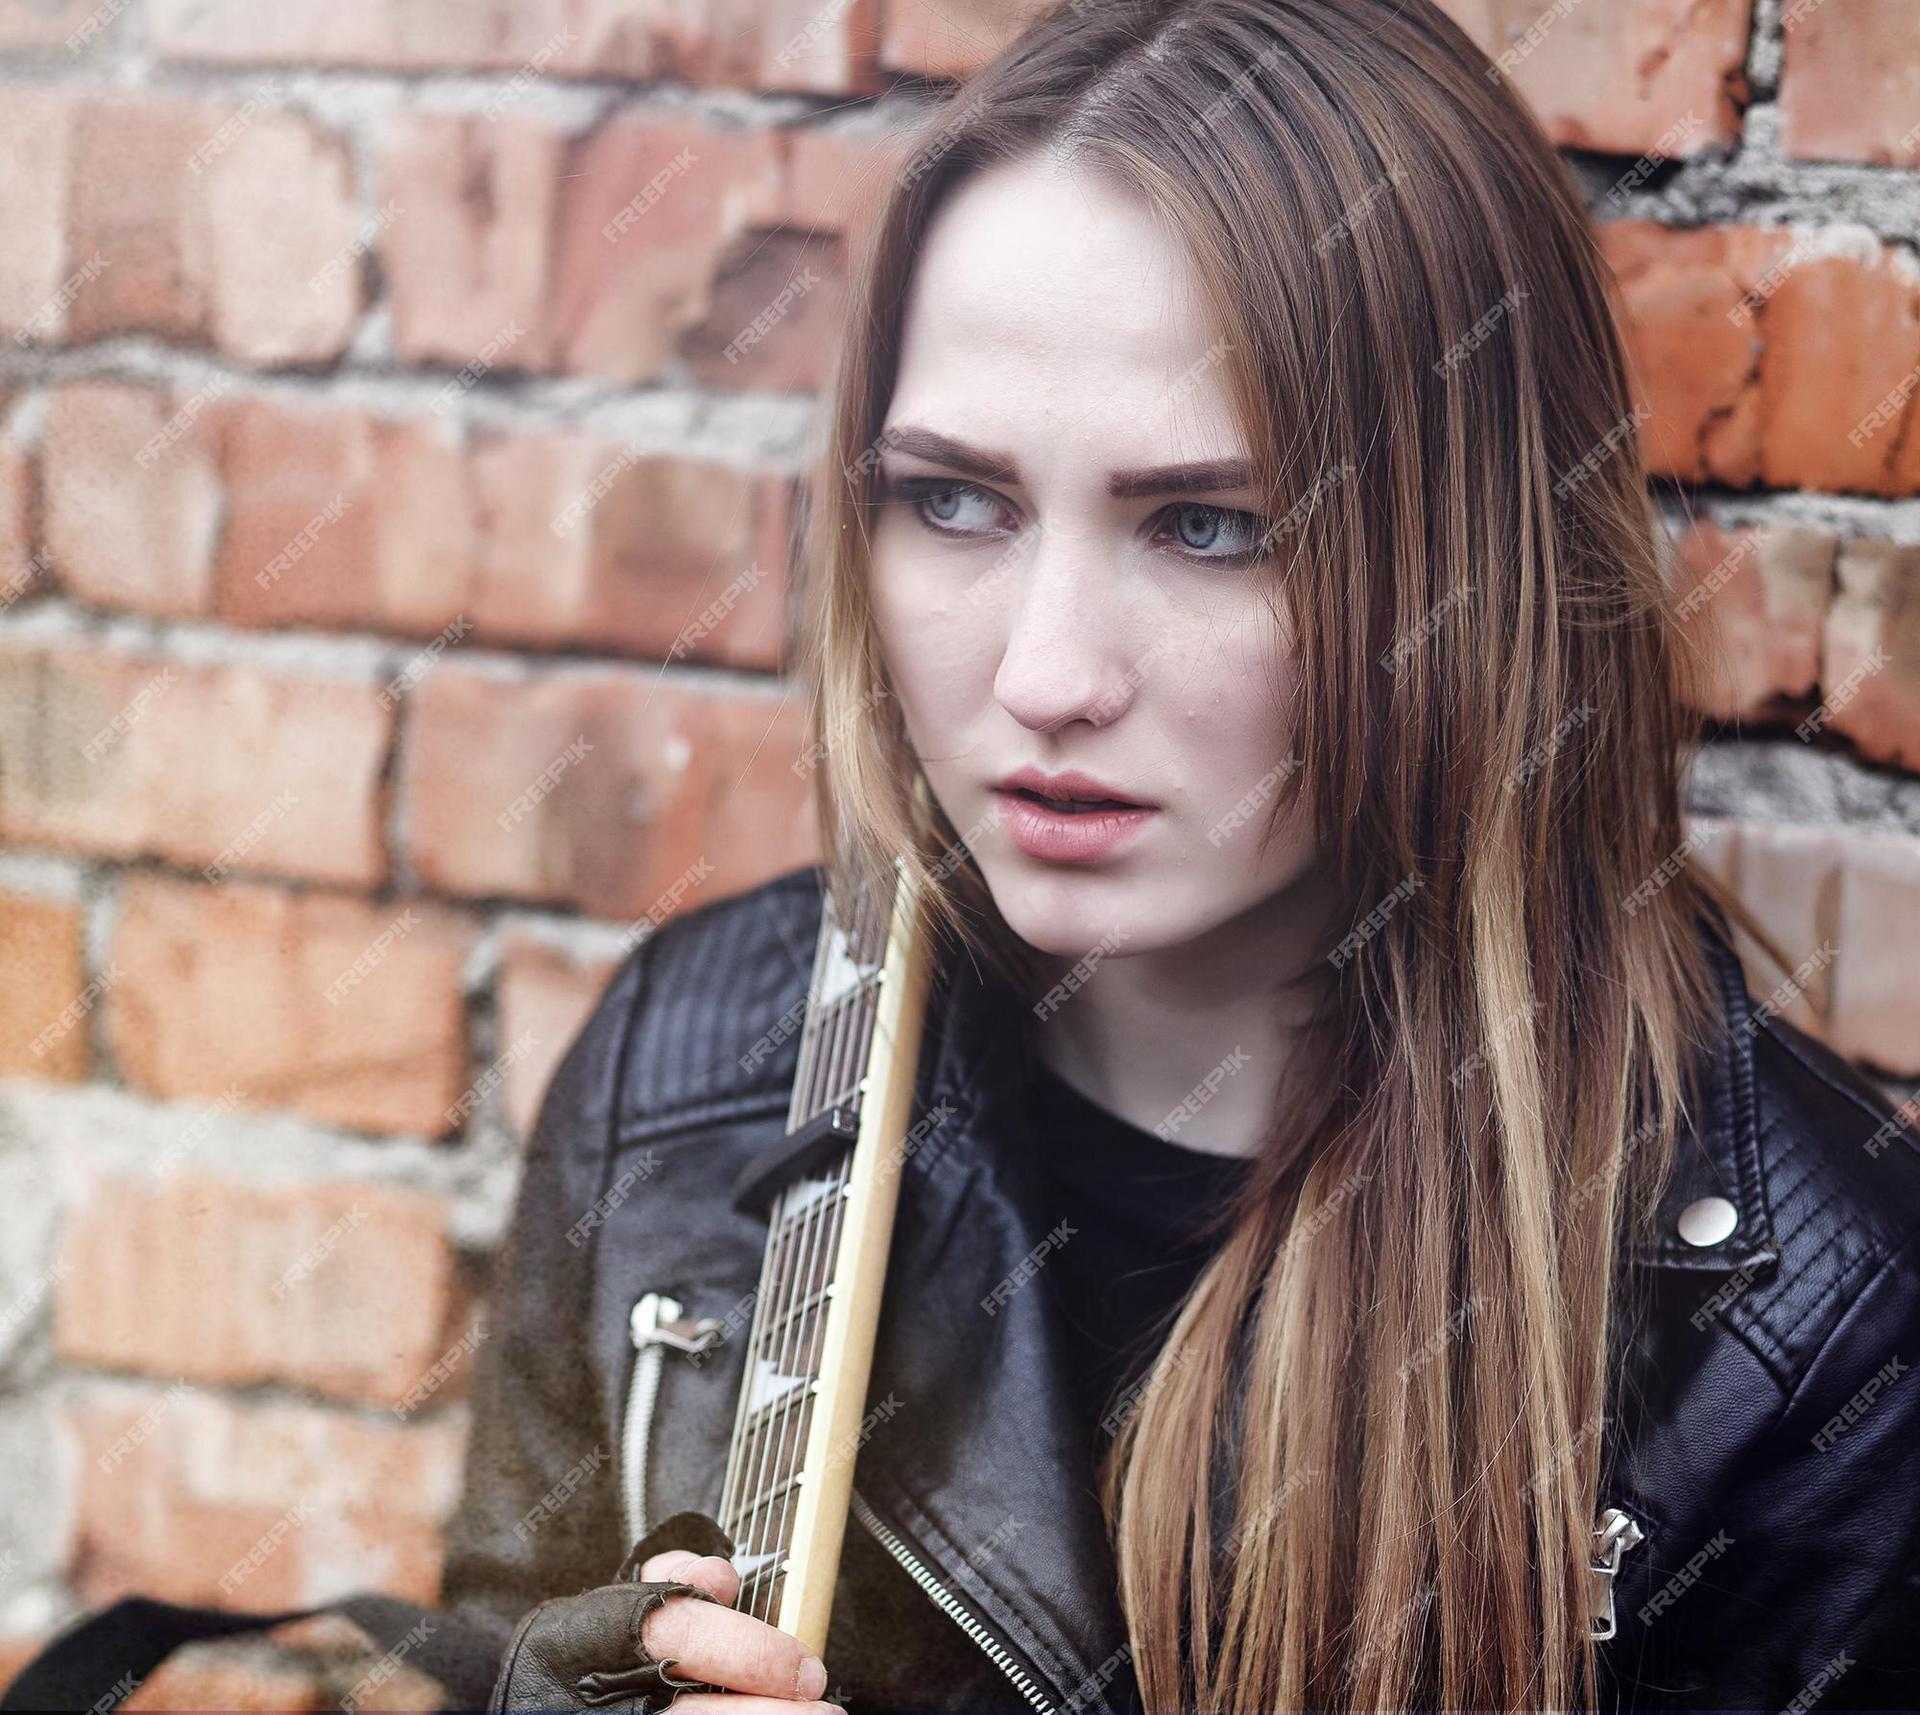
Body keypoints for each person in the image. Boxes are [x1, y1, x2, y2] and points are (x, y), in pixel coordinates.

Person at [438, 1, 1920, 1711]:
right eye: (956, 500)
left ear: (1467, 571)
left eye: (1210, 527)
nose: (1046, 675)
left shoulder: (1806, 1343)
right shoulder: (693, 1076)